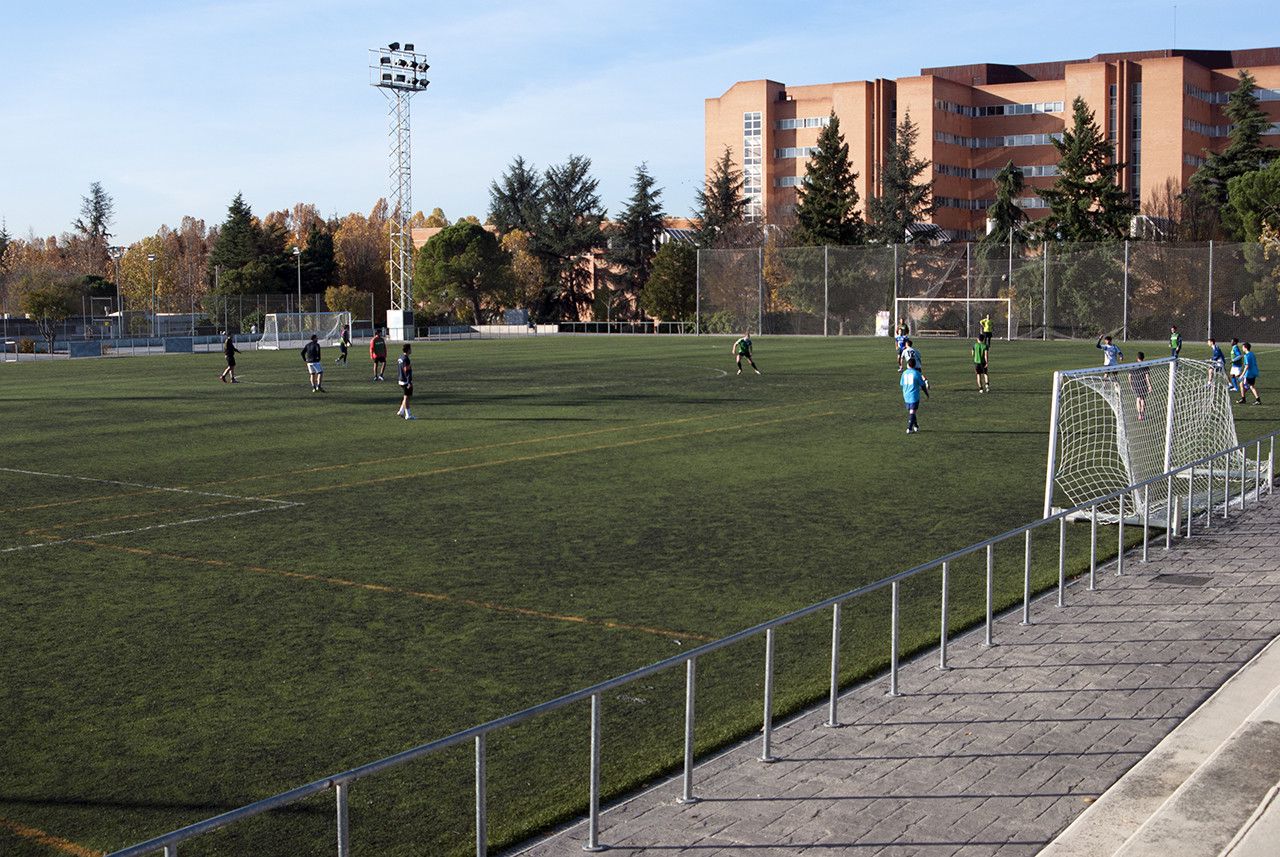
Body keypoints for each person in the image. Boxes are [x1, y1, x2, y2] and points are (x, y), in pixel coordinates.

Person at [900, 356, 928, 433]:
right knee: (912, 412)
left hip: (906, 395)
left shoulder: (904, 373)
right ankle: (909, 428)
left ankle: (916, 426)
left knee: (911, 411)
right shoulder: (917, 373)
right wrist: (926, 393)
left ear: (908, 365)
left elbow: (901, 384)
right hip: (914, 396)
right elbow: (923, 385)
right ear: (915, 365)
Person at [396, 343, 416, 419]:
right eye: (410, 348)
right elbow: (406, 371)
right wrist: (409, 382)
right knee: (407, 397)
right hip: (405, 381)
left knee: (406, 396)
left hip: (400, 379)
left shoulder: (400, 357)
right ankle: (408, 415)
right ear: (408, 350)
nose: (411, 350)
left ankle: (401, 411)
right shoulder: (406, 359)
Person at [1130, 351, 1150, 421]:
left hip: (1136, 384)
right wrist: (1149, 385)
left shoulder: (1133, 365)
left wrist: (1131, 385)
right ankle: (1142, 414)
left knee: (1138, 399)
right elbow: (1147, 376)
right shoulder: (1145, 366)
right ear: (1143, 358)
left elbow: (1129, 376)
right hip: (1143, 384)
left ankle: (1139, 414)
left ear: (1137, 358)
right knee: (1143, 399)